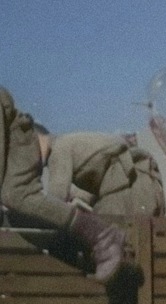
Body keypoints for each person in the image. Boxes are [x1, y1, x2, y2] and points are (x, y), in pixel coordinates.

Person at [1, 88, 123, 282]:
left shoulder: (61, 148)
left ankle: (102, 237)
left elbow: (58, 193)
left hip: (14, 143)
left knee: (17, 194)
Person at [39, 129, 163, 218]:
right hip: (139, 180)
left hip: (127, 182)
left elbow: (56, 199)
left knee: (108, 237)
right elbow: (99, 175)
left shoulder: (58, 149)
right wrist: (79, 198)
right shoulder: (69, 143)